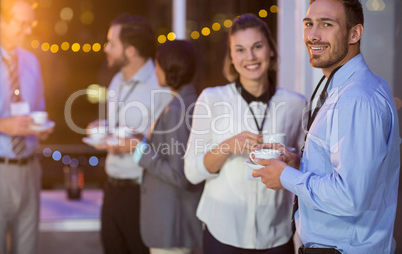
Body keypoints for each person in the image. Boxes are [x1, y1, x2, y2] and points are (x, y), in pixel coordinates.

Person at [252, 0, 401, 253]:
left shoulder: (356, 99)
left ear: (354, 34)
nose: (312, 35)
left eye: (326, 24)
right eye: (309, 24)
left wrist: (286, 177)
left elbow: (350, 196)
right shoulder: (346, 87)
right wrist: (301, 163)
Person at [184, 13, 307, 253]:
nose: (249, 57)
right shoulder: (212, 99)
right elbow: (191, 172)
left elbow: (307, 167)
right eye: (240, 49)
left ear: (270, 50)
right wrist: (227, 147)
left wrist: (294, 161)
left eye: (257, 47)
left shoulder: (296, 104)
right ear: (231, 56)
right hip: (222, 234)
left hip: (276, 235)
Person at [86, 14, 171, 254]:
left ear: (131, 50)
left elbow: (171, 145)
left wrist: (136, 144)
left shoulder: (160, 85)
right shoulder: (116, 80)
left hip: (142, 193)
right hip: (112, 189)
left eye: (111, 43)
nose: (106, 48)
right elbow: (118, 127)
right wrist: (102, 129)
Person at [111, 40, 204, 254]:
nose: (155, 71)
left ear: (169, 69)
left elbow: (179, 174)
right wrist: (144, 140)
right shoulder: (187, 101)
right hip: (175, 222)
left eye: (158, 65)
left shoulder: (176, 109)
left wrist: (139, 151)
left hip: (172, 226)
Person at [0, 0, 53, 253]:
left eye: (30, 23)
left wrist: (39, 128)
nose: (29, 30)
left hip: (31, 171)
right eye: (22, 23)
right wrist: (3, 125)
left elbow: (38, 109)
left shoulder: (32, 62)